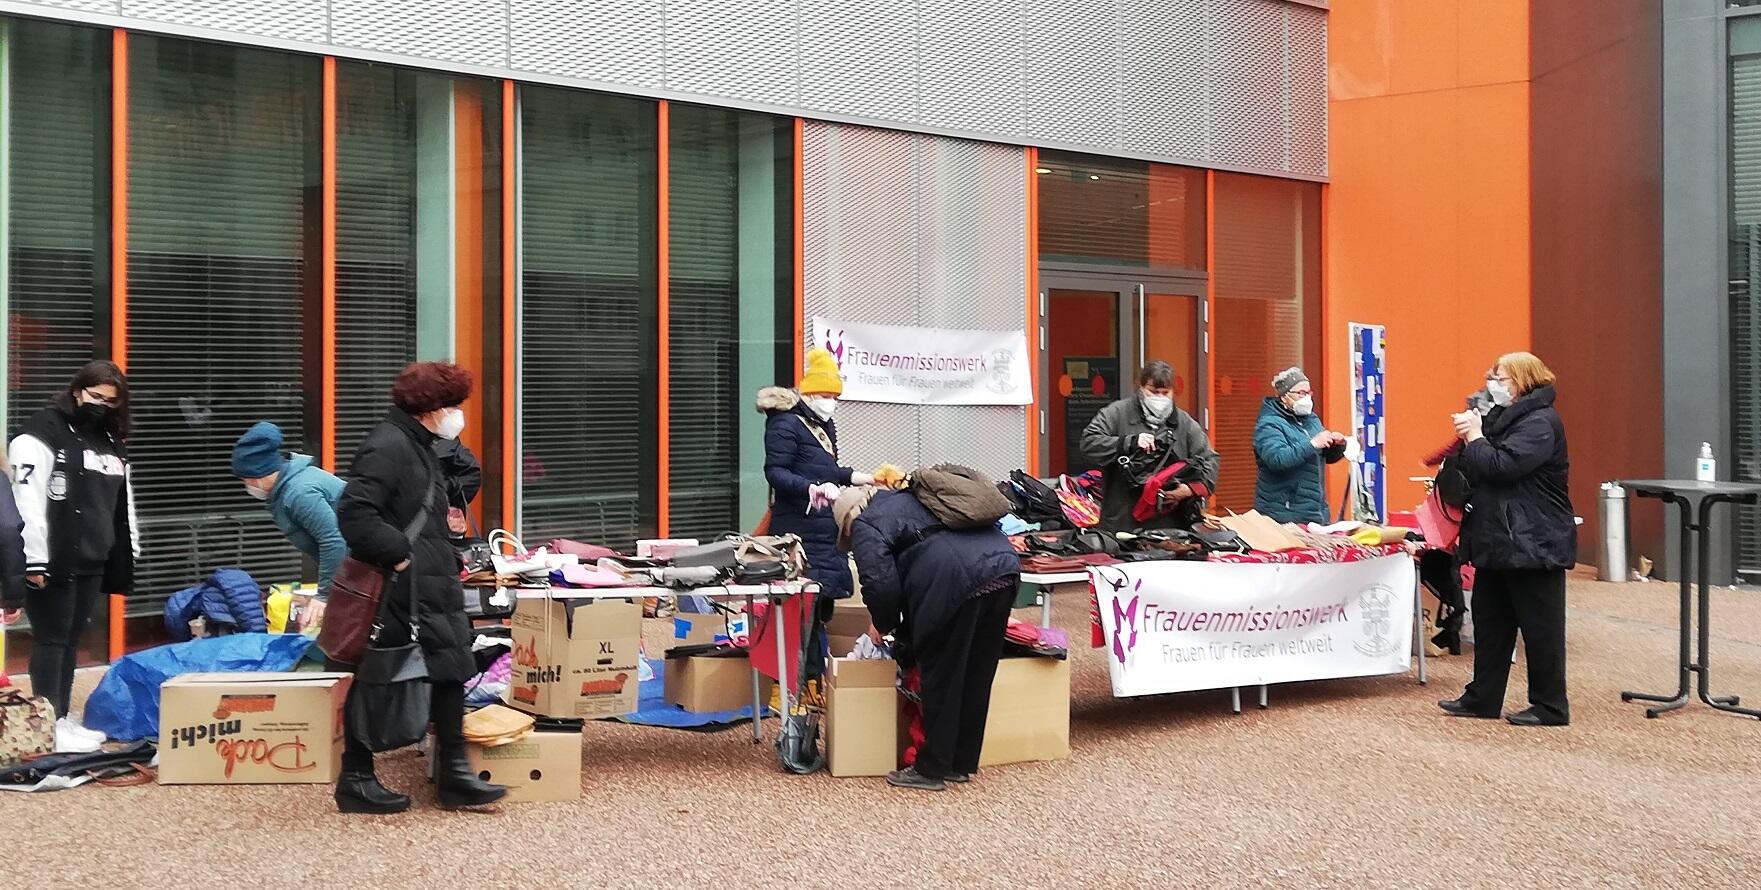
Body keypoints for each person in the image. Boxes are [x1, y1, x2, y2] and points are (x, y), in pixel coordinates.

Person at [333, 361, 505, 813]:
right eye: (451, 405)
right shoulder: (388, 445)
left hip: (430, 583)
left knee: (450, 672)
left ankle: (455, 774)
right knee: (377, 678)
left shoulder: (419, 444)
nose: (455, 414)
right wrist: (399, 554)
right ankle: (356, 777)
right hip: (401, 588)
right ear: (430, 408)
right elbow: (355, 513)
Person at [842, 483, 1020, 792]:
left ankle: (931, 768)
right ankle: (960, 762)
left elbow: (880, 585)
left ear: (848, 521)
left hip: (954, 580)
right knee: (977, 671)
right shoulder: (920, 499)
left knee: (941, 674)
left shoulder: (867, 523)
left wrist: (881, 625)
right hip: (1004, 569)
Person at [1438, 352, 1575, 727]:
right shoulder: (1504, 418)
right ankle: (1482, 697)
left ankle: (1550, 705)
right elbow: (1476, 467)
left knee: (1541, 627)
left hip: (1534, 539)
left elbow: (1503, 466)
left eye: (1499, 378)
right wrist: (1471, 438)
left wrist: (1476, 436)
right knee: (1491, 621)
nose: (1491, 385)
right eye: (1490, 378)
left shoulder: (1541, 423)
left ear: (1521, 381)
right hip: (1498, 535)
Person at [9, 360, 138, 752]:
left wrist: (128, 546)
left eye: (109, 401)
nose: (99, 405)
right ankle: (48, 721)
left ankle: (62, 717)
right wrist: (34, 559)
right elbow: (26, 500)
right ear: (77, 390)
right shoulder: (41, 432)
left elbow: (121, 499)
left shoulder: (109, 439)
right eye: (94, 396)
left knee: (70, 639)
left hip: (93, 555)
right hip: (53, 556)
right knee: (51, 639)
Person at [755, 347, 876, 602]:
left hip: (825, 526)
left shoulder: (824, 424)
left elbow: (826, 470)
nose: (831, 401)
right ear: (808, 394)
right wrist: (810, 488)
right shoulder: (785, 423)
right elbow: (775, 472)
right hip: (798, 526)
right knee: (802, 602)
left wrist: (857, 477)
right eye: (825, 394)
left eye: (835, 396)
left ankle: (819, 643)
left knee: (823, 603)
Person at [1080, 360, 1219, 532]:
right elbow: (1089, 442)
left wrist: (1189, 490)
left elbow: (1209, 459)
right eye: (1153, 392)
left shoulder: (1184, 423)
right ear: (1140, 388)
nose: (1159, 398)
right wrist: (1127, 443)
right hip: (1122, 521)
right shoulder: (1117, 413)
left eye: (1165, 393)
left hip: (1171, 524)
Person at [232, 422, 345, 627]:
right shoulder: (287, 489)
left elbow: (334, 541)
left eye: (245, 480)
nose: (246, 486)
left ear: (259, 475)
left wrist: (324, 596)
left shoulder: (299, 493)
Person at [1253, 367, 1347, 524]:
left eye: (1309, 393)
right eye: (1301, 393)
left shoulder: (1311, 419)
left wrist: (1337, 445)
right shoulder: (1269, 424)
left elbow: (1322, 456)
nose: (1307, 398)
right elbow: (1277, 459)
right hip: (1284, 514)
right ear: (1284, 397)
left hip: (1316, 513)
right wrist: (1313, 443)